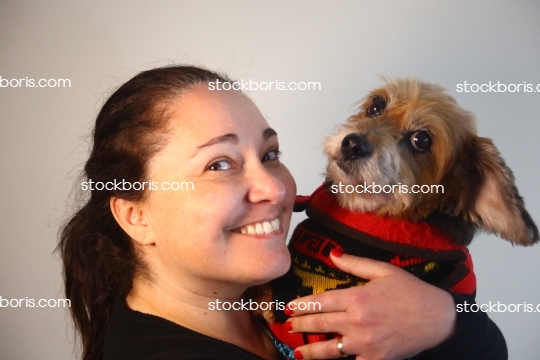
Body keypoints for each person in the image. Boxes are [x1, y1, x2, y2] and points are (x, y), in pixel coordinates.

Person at [58, 65, 507, 360]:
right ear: (136, 215)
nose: (274, 188)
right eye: (220, 164)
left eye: (270, 154)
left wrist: (444, 320)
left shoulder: (269, 294)